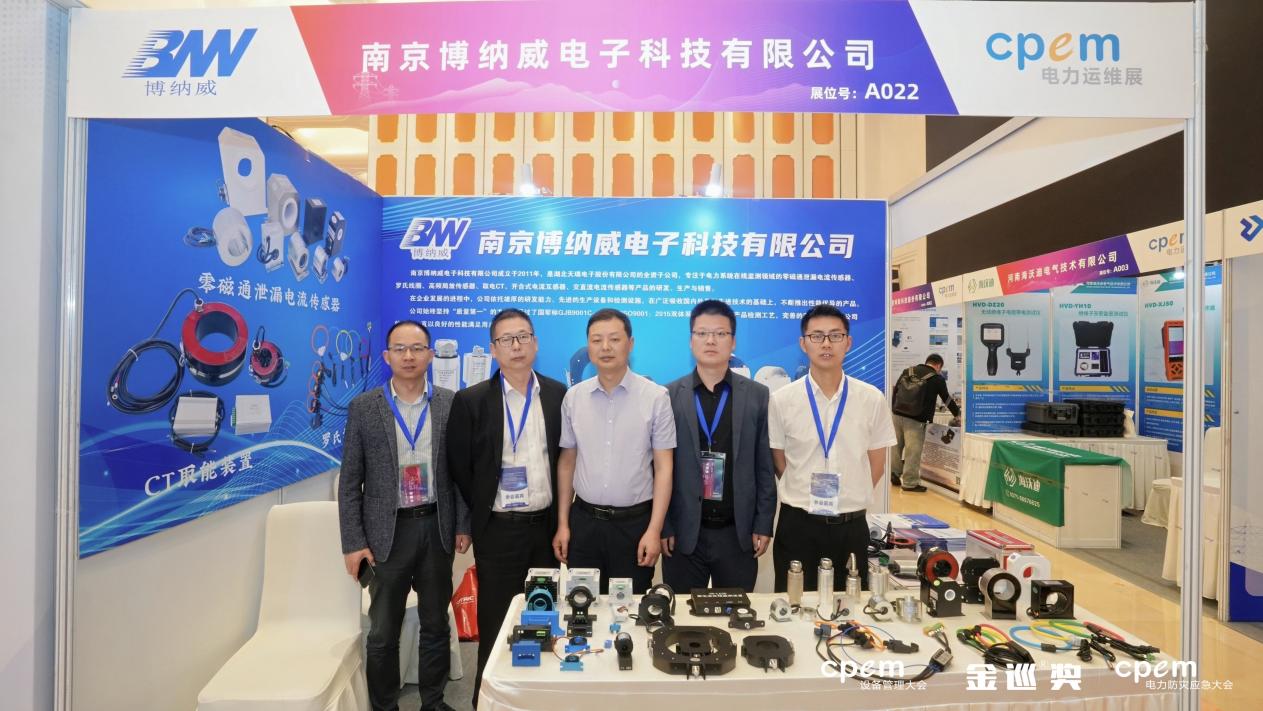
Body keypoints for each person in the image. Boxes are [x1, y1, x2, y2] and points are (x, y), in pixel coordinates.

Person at [337, 320, 470, 711]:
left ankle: (434, 702)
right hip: (385, 534)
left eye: (417, 348)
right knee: (382, 633)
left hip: (436, 527)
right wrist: (354, 543)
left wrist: (463, 524)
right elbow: (350, 483)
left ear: (430, 354)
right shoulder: (364, 408)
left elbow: (460, 473)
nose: (408, 356)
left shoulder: (449, 403)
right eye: (400, 348)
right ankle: (384, 707)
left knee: (435, 624)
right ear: (387, 356)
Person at [447, 308, 566, 707]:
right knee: (497, 623)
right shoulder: (471, 401)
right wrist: (480, 511)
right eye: (506, 339)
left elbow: (565, 460)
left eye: (523, 337)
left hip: (545, 530)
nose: (516, 346)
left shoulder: (557, 395)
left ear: (535, 343)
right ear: (493, 349)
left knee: (542, 618)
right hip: (497, 531)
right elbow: (460, 467)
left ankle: (538, 700)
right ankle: (488, 702)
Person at [769, 304, 897, 594]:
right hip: (798, 525)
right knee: (793, 604)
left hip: (850, 527)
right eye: (816, 336)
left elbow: (877, 463)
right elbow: (779, 459)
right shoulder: (782, 400)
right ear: (803, 343)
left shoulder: (871, 399)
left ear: (848, 342)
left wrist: (849, 494)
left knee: (849, 607)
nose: (826, 344)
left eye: (835, 335)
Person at [552, 308, 676, 592]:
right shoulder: (573, 398)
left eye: (614, 339)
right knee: (582, 605)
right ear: (588, 346)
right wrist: (563, 524)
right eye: (596, 340)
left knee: (629, 609)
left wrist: (654, 530)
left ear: (630, 344)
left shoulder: (656, 397)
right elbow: (567, 462)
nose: (605, 347)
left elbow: (664, 468)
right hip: (584, 524)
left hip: (634, 526)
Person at [661, 300, 776, 592]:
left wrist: (763, 523)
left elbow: (764, 465)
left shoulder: (757, 395)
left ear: (733, 341)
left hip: (737, 533)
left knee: (736, 613)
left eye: (720, 333)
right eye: (702, 333)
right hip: (685, 535)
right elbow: (659, 469)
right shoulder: (669, 395)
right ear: (691, 341)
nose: (710, 340)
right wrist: (665, 525)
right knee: (682, 615)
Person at [890, 353, 961, 492]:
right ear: (938, 366)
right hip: (916, 420)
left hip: (897, 415)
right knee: (913, 451)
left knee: (896, 447)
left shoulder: (908, 371)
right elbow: (946, 399)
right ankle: (910, 482)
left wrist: (894, 409)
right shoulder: (937, 378)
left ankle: (894, 474)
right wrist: (958, 415)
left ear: (927, 361)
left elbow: (896, 391)